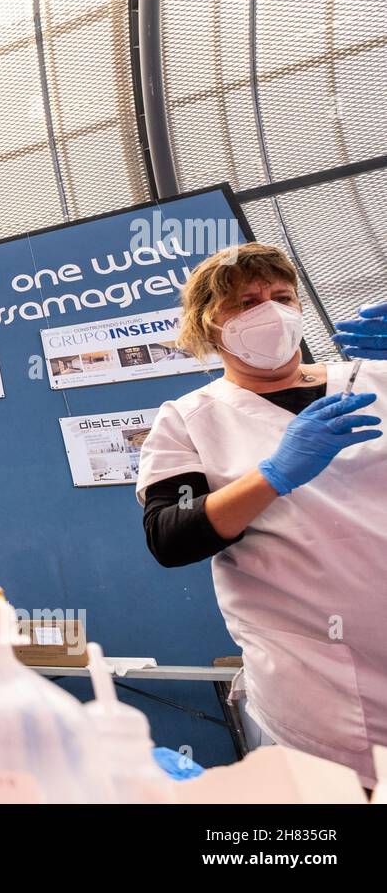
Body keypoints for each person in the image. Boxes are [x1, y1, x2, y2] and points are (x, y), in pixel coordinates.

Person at [137, 242, 386, 784]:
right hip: (322, 686)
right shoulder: (189, 418)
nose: (270, 311)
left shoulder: (375, 378)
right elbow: (171, 536)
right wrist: (271, 476)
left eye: (281, 296)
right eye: (245, 303)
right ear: (210, 326)